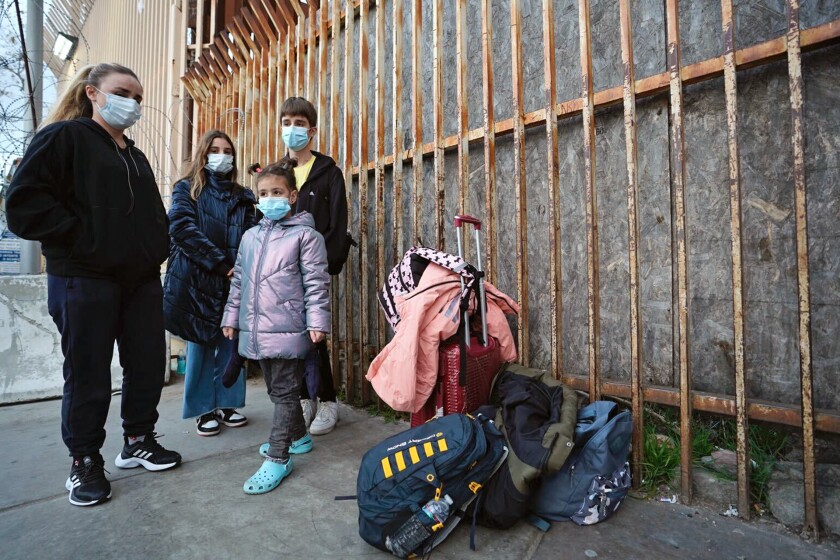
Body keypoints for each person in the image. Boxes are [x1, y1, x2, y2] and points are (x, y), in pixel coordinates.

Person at [5, 63, 181, 507]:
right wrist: (83, 240)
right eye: (123, 92)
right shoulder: (64, 138)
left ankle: (138, 439)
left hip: (139, 280)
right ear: (92, 93)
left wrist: (155, 246)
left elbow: (148, 215)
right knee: (88, 371)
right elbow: (24, 204)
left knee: (146, 362)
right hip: (84, 277)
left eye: (139, 98)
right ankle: (84, 459)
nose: (133, 104)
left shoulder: (133, 153)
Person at [221, 158, 330, 494]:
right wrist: (230, 317)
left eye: (277, 192)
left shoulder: (306, 236)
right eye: (264, 193)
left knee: (284, 394)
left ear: (292, 196)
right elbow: (238, 281)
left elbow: (316, 282)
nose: (269, 198)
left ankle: (279, 457)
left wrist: (317, 322)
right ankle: (298, 437)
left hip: (289, 327)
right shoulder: (251, 237)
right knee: (276, 390)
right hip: (255, 330)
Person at [163, 130, 258, 436]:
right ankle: (203, 410)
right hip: (198, 281)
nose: (222, 155)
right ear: (204, 154)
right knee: (201, 345)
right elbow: (181, 228)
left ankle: (229, 403)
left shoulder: (243, 196)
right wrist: (219, 264)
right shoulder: (186, 189)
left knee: (232, 344)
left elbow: (255, 234)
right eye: (215, 149)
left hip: (234, 281)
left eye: (227, 150)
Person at [279, 96, 349, 435]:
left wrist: (325, 262)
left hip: (315, 268)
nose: (292, 130)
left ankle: (327, 399)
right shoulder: (279, 173)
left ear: (312, 130)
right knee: (293, 336)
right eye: (287, 123)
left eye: (299, 124)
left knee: (315, 334)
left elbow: (338, 223)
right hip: (285, 270)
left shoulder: (328, 172)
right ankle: (304, 398)